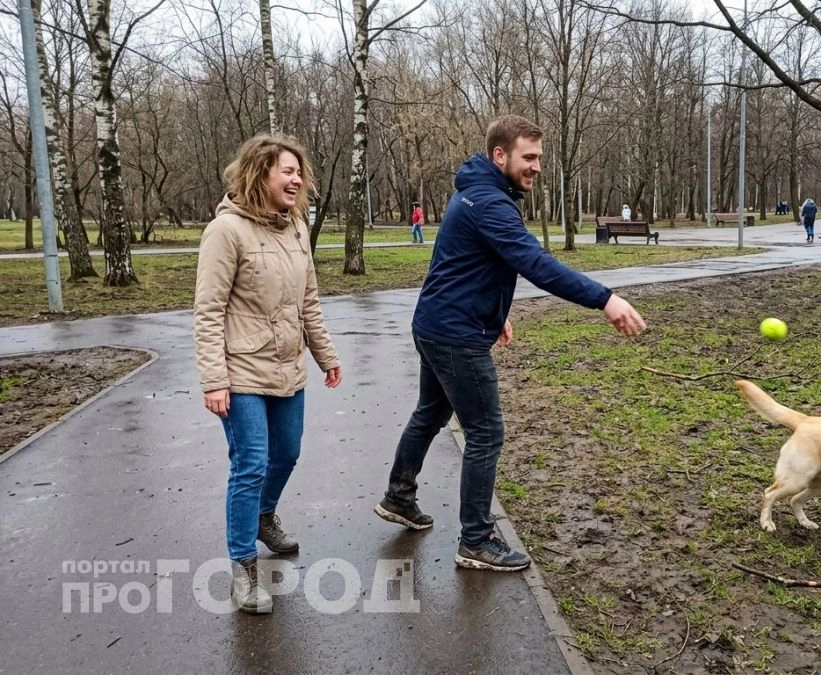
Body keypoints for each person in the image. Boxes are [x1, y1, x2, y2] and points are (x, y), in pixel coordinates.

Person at [375, 115, 646, 572]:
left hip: (438, 324)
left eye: (539, 157)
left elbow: (462, 264)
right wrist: (605, 299)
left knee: (431, 413)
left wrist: (495, 314)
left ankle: (399, 497)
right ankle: (476, 540)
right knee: (485, 432)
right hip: (456, 335)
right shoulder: (489, 203)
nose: (537, 166)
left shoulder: (476, 192)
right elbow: (535, 264)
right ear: (500, 155)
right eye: (529, 157)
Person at [194, 134, 343, 614]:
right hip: (240, 372)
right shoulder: (226, 231)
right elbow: (208, 311)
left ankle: (263, 516)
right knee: (251, 464)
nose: (297, 180)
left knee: (288, 454)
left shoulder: (296, 227)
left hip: (288, 367)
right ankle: (243, 566)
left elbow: (309, 301)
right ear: (260, 174)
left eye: (300, 172)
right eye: (287, 171)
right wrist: (214, 379)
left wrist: (326, 355)